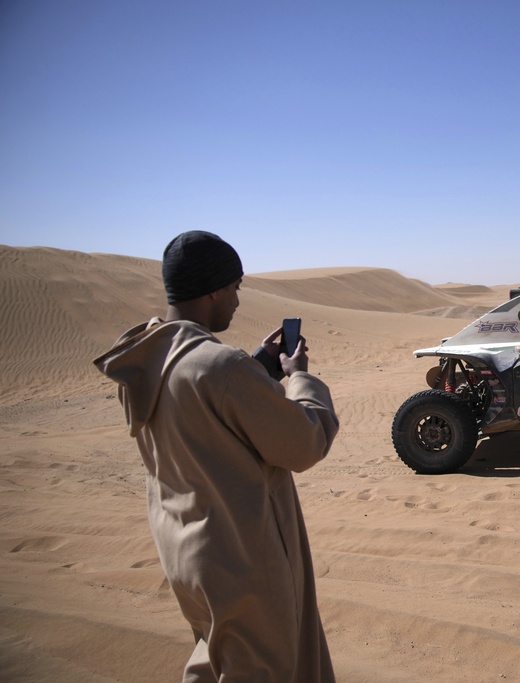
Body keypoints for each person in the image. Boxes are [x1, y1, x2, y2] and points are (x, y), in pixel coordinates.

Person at [93, 231, 339, 682]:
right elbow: (304, 443)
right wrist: (300, 379)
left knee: (219, 664)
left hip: (191, 558)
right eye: (234, 288)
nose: (237, 302)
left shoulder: (148, 359)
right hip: (244, 560)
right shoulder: (220, 367)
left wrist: (259, 367)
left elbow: (201, 409)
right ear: (212, 290)